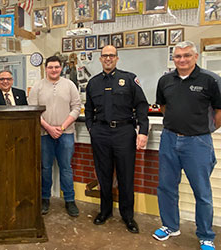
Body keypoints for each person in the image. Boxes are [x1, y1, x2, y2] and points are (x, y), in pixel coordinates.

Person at [152, 41, 221, 250]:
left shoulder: (211, 80)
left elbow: (219, 111)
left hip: (197, 142)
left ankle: (205, 235)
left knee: (202, 191)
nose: (182, 60)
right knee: (166, 186)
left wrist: (203, 130)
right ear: (173, 59)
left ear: (195, 56)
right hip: (169, 139)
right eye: (178, 56)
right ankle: (170, 226)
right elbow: (164, 106)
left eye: (186, 56)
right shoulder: (165, 81)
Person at [84, 45, 149, 234]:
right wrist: (91, 128)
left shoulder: (129, 79)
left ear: (117, 58)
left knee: (125, 176)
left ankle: (128, 216)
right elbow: (88, 109)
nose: (108, 59)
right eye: (104, 56)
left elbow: (142, 106)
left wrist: (143, 131)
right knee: (103, 175)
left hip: (124, 132)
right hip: (101, 133)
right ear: (100, 58)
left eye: (111, 56)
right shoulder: (93, 83)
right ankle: (105, 211)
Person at [28, 55, 81, 217]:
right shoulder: (37, 86)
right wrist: (49, 128)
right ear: (45, 68)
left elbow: (76, 108)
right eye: (50, 67)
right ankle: (45, 198)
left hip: (66, 134)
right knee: (45, 168)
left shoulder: (70, 85)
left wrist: (62, 127)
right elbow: (33, 111)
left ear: (61, 68)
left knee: (66, 168)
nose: (53, 70)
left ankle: (70, 200)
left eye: (56, 67)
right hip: (44, 133)